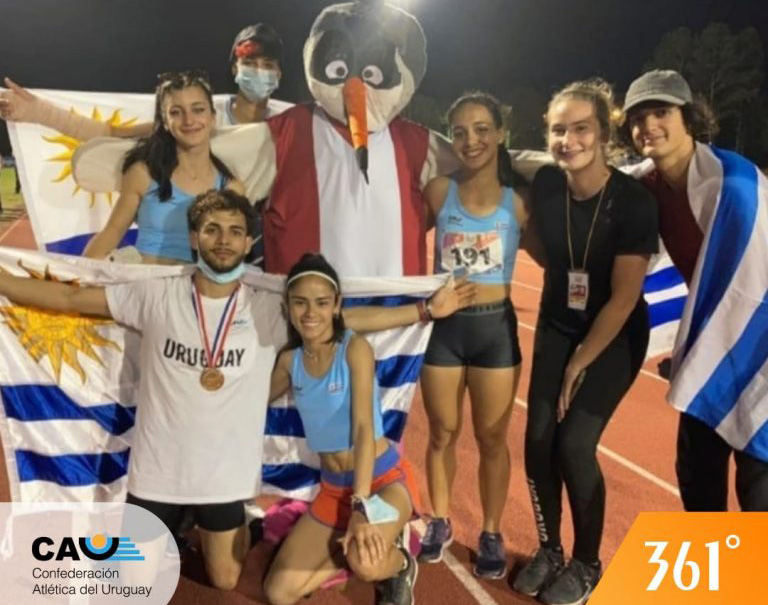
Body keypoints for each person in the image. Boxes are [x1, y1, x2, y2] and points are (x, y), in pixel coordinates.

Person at [0, 189, 278, 590]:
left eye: (235, 231)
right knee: (134, 585)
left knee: (225, 581)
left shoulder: (270, 306)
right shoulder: (156, 294)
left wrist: (397, 309)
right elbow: (70, 296)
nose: (223, 240)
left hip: (222, 475)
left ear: (249, 242)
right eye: (212, 229)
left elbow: (334, 317)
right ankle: (181, 519)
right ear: (194, 237)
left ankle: (234, 520)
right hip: (157, 470)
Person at [512, 80, 658, 604]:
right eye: (558, 129)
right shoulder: (549, 185)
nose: (568, 140)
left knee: (573, 444)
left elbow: (623, 298)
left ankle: (588, 563)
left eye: (581, 129)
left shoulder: (632, 202)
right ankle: (550, 550)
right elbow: (536, 241)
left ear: (603, 134)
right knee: (537, 441)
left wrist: (578, 363)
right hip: (557, 324)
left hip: (614, 334)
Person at [622, 69, 768, 512]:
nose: (648, 126)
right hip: (715, 342)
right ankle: (716, 560)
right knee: (697, 471)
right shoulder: (649, 182)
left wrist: (695, 352)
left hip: (758, 340)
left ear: (689, 118)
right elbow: (590, 176)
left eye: (661, 113)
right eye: (638, 118)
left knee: (757, 478)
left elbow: (747, 292)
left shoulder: (733, 187)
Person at [264, 254, 421, 605]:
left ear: (336, 306)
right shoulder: (289, 362)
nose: (310, 313)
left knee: (367, 565)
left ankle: (399, 565)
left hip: (380, 483)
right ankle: (350, 549)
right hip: (333, 490)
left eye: (321, 303)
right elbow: (247, 404)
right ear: (287, 306)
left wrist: (362, 508)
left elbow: (364, 429)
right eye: (300, 302)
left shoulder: (354, 348)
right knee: (278, 593)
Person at [417, 92, 527, 579]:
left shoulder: (518, 202)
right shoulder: (438, 192)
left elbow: (556, 254)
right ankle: (439, 520)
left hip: (494, 329)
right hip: (445, 329)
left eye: (483, 129)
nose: (471, 140)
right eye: (459, 132)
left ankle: (490, 530)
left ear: (501, 134)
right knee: (442, 432)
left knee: (491, 437)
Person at [83, 71, 244, 264]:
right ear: (165, 122)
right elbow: (113, 231)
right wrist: (81, 273)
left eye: (198, 110)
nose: (189, 120)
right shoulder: (143, 173)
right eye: (176, 112)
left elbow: (233, 255)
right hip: (145, 280)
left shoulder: (231, 188)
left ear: (213, 117)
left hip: (198, 283)